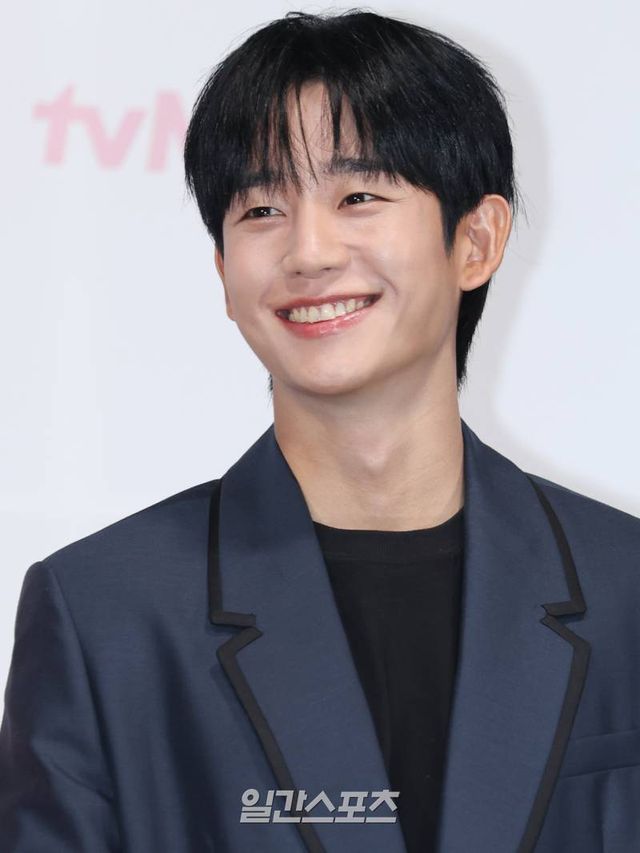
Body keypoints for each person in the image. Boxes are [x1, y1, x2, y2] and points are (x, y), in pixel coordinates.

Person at [1, 9, 638, 853]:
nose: (308, 251)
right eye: (262, 208)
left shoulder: (626, 587)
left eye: (359, 196)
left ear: (476, 240)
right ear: (224, 272)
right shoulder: (103, 615)